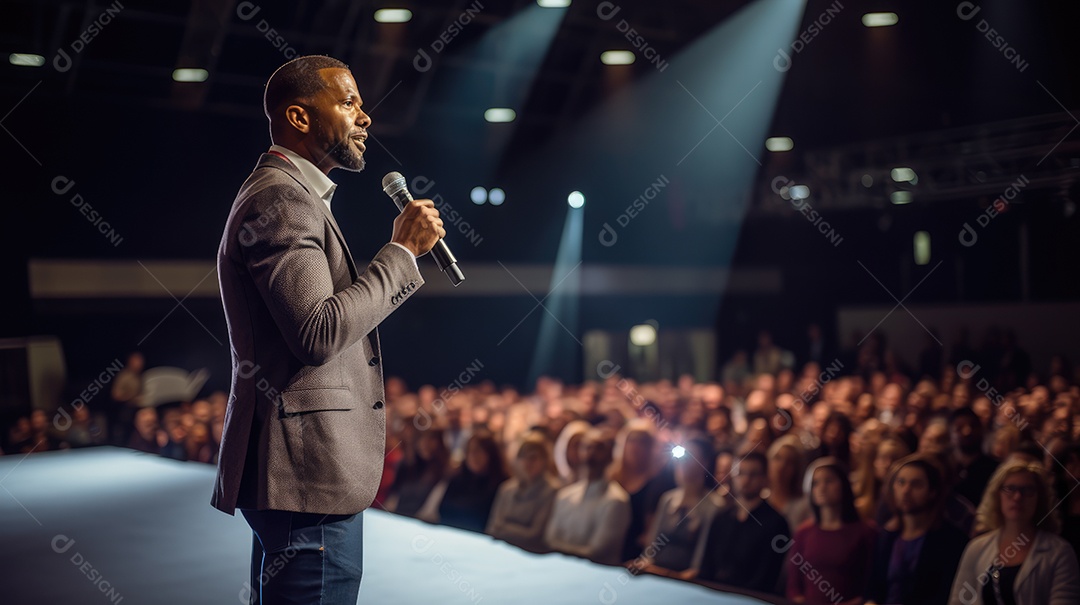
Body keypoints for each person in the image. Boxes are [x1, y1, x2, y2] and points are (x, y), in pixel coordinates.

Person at [211, 55, 444, 605]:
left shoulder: (291, 194)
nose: (365, 117)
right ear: (298, 116)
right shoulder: (281, 199)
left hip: (297, 473)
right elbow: (316, 332)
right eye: (348, 103)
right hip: (306, 474)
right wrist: (403, 253)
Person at [948, 461, 1080, 605]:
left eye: (1027, 490)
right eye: (1010, 489)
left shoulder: (1058, 552)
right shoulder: (977, 547)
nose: (1017, 497)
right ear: (997, 495)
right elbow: (959, 600)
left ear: (1039, 498)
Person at [865, 454, 969, 605]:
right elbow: (873, 589)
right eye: (901, 482)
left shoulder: (951, 540)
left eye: (916, 484)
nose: (906, 491)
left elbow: (946, 595)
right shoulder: (886, 536)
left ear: (932, 492)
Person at [697, 451, 791, 595]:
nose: (746, 480)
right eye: (740, 473)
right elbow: (706, 564)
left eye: (753, 474)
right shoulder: (721, 517)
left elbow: (767, 577)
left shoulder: (776, 523)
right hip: (713, 595)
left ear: (765, 478)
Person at [785, 458, 876, 605]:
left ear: (844, 485)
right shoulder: (803, 532)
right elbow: (793, 585)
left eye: (829, 481)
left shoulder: (866, 531)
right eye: (815, 483)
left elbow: (871, 584)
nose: (821, 487)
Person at [630, 437, 724, 579]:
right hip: (655, 572)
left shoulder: (715, 506)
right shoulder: (668, 499)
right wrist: (646, 565)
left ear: (704, 463)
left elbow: (700, 561)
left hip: (686, 579)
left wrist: (677, 575)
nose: (683, 463)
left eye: (691, 457)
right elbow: (651, 548)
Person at [544, 428, 632, 565]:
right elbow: (550, 538)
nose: (591, 454)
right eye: (587, 447)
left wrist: (561, 550)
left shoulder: (616, 501)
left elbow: (597, 552)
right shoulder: (565, 495)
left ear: (610, 456)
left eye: (599, 449)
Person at [486, 431, 561, 553]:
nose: (527, 462)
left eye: (533, 458)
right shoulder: (506, 489)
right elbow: (492, 528)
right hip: (501, 551)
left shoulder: (552, 491)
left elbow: (535, 535)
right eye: (523, 457)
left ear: (545, 460)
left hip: (531, 554)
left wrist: (504, 528)